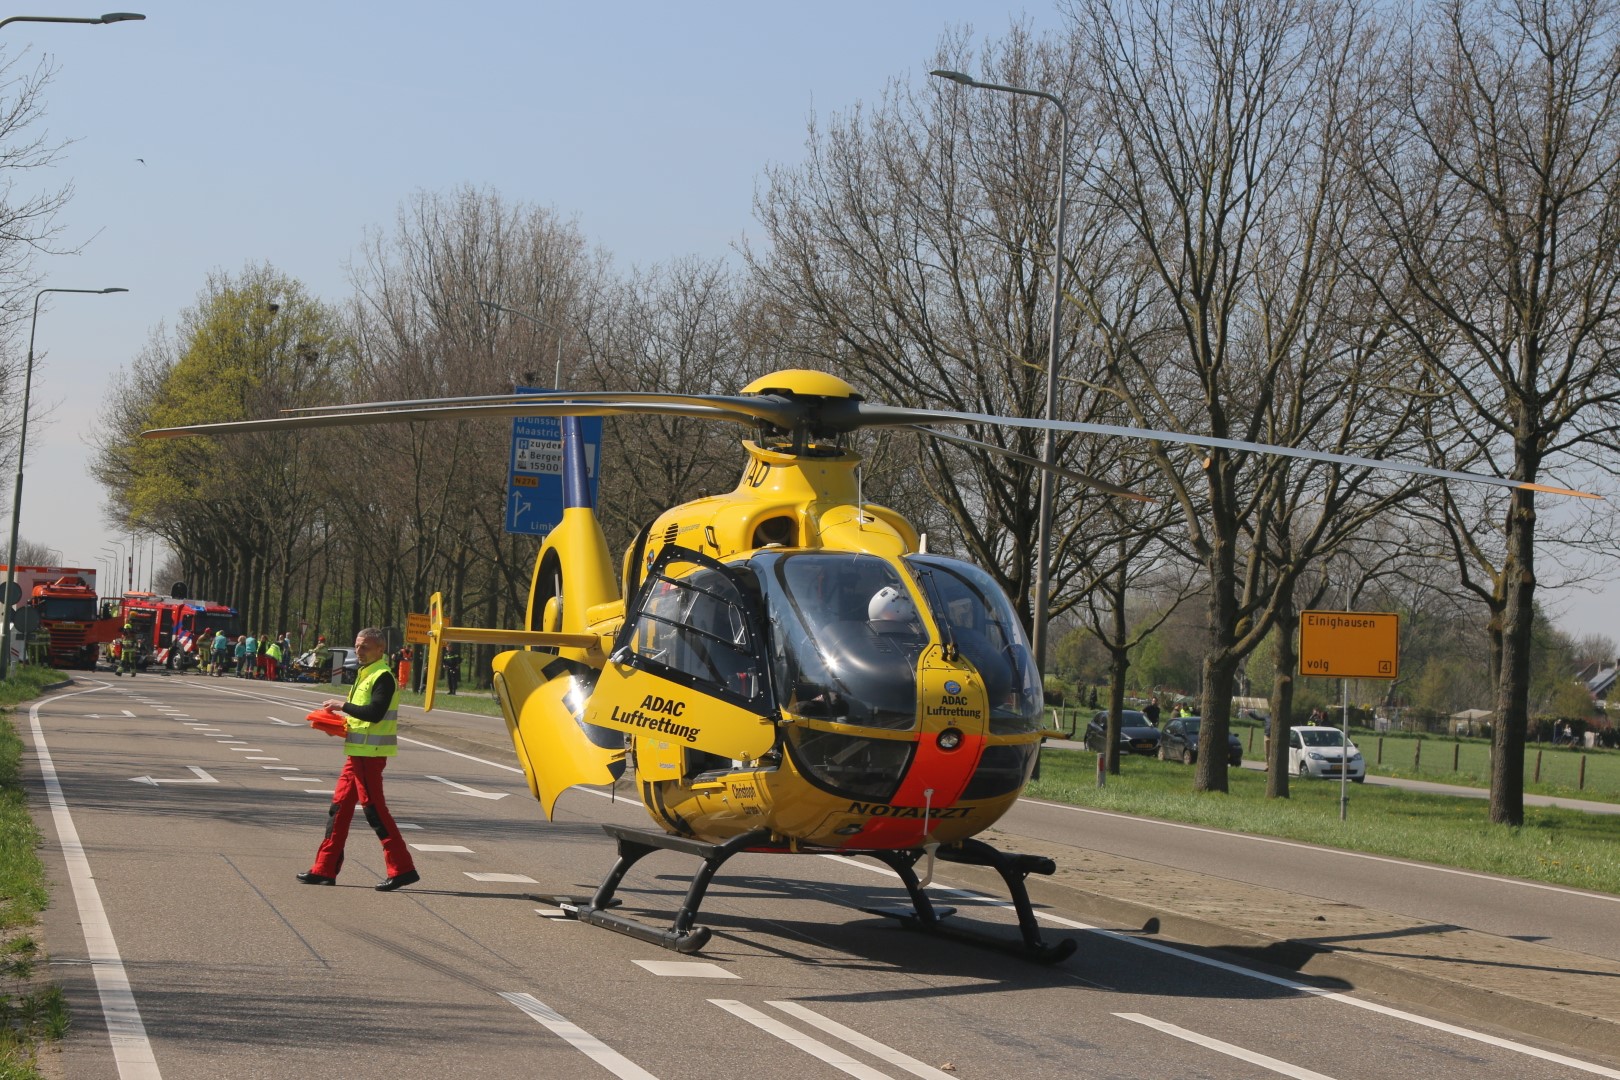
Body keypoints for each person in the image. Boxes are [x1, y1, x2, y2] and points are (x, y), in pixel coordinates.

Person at [297, 627, 419, 891]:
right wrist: (337, 724)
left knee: (375, 811)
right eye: (357, 646)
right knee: (338, 810)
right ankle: (324, 869)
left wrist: (342, 706)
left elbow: (374, 713)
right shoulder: (365, 673)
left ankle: (402, 868)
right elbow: (360, 718)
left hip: (369, 757)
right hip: (356, 755)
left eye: (364, 646)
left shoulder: (383, 676)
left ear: (380, 650)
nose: (359, 651)